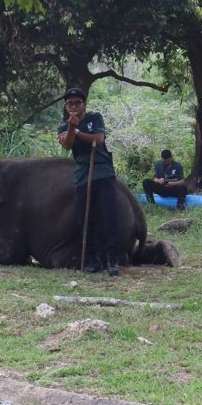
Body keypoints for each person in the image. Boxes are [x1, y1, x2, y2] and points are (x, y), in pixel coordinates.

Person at [57, 87, 121, 276]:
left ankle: (112, 260)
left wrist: (77, 132)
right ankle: (94, 260)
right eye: (70, 103)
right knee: (85, 218)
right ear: (66, 106)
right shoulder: (63, 125)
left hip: (102, 170)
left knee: (108, 215)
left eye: (78, 102)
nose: (74, 106)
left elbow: (98, 140)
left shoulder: (95, 118)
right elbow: (67, 144)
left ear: (84, 104)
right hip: (83, 173)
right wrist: (71, 128)